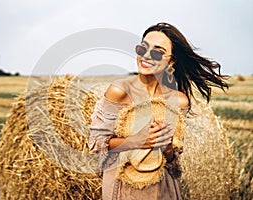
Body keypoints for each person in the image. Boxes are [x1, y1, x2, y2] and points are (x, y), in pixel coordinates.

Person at [89, 22, 229, 200]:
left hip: (164, 189)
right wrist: (138, 140)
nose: (146, 56)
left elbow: (173, 161)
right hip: (122, 188)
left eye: (157, 52)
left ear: (171, 61)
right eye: (142, 48)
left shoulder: (178, 101)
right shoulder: (118, 92)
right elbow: (97, 144)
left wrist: (166, 146)